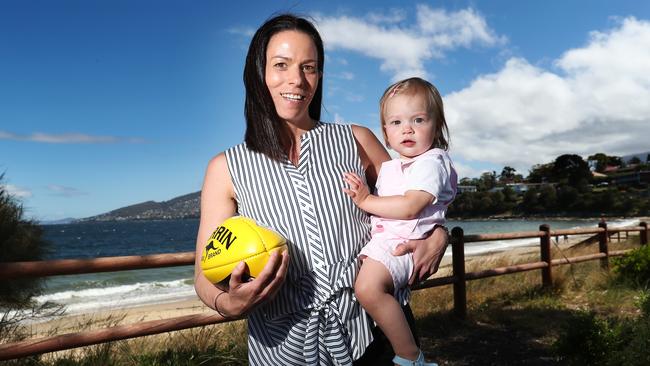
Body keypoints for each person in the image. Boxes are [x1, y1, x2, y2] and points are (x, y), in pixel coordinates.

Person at [193, 14, 449, 365]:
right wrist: (229, 303)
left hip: (373, 335)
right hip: (282, 348)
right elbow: (204, 274)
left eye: (309, 67)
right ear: (258, 73)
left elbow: (421, 193)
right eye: (281, 65)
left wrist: (438, 234)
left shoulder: (356, 139)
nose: (296, 80)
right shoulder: (224, 168)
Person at [343, 77, 457, 366]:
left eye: (418, 119)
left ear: (437, 126)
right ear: (385, 132)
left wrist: (366, 201)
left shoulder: (431, 161)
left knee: (368, 289)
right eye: (396, 123)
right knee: (371, 290)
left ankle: (410, 356)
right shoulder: (396, 165)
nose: (407, 128)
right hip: (388, 242)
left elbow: (411, 206)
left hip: (401, 244)